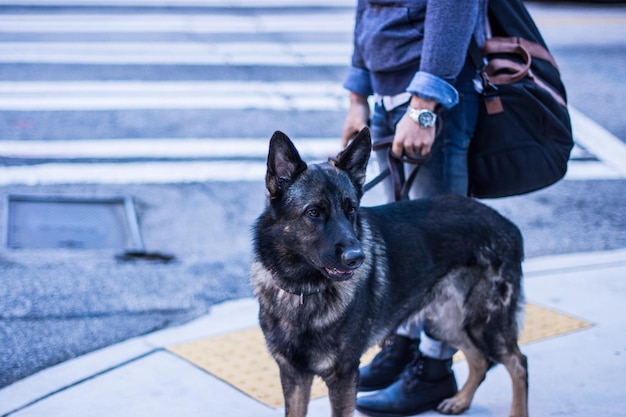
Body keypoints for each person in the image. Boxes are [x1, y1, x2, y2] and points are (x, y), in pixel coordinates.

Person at [341, 1, 488, 416]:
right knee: (407, 242)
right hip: (390, 97)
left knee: (442, 247)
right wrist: (358, 95)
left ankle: (434, 368)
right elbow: (368, 8)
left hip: (433, 99)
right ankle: (404, 347)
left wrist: (424, 107)